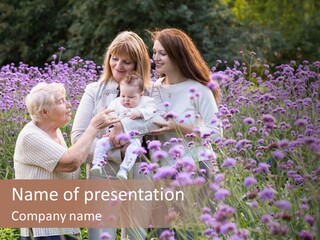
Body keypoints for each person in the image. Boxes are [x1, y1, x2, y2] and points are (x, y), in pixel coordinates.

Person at [71, 31, 158, 240]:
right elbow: (78, 137)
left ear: (139, 64)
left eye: (126, 62)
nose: (118, 65)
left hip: (140, 170)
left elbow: (157, 122)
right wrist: (116, 153)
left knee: (136, 235)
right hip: (103, 169)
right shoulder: (94, 90)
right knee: (101, 235)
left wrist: (122, 125)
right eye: (114, 58)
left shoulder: (153, 92)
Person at [14, 82, 117, 240]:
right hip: (44, 231)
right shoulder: (31, 136)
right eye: (61, 101)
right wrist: (93, 127)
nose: (69, 105)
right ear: (45, 112)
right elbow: (71, 162)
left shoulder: (54, 133)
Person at [148, 28, 223, 239]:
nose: (156, 58)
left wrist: (179, 128)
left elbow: (216, 133)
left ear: (177, 54)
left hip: (196, 170)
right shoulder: (153, 89)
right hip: (162, 174)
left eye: (162, 53)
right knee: (162, 234)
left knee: (190, 234)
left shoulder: (200, 89)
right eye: (154, 52)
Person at [90, 72, 157, 179]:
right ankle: (97, 163)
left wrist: (141, 113)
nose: (126, 100)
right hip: (115, 135)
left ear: (141, 94)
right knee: (102, 143)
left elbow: (152, 110)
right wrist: (116, 123)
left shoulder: (146, 102)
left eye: (131, 97)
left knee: (133, 151)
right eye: (123, 95)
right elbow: (110, 114)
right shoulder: (116, 102)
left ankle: (124, 170)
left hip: (134, 138)